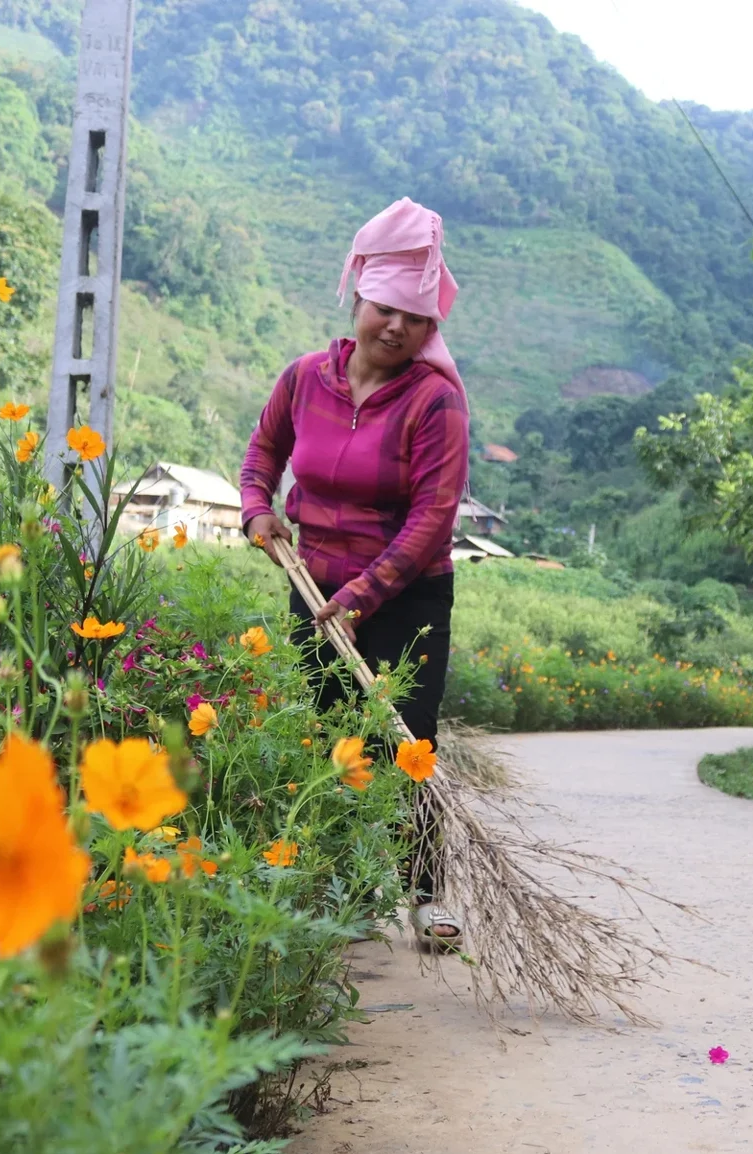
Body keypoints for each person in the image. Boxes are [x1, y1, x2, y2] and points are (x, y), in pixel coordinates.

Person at [240, 197, 470, 945]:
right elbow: (262, 457)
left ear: (431, 328)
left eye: (416, 317)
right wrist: (257, 512)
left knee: (409, 738)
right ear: (359, 299)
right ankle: (347, 886)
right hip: (316, 588)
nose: (397, 326)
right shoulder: (306, 378)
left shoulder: (435, 403)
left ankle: (426, 889)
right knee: (329, 731)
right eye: (385, 309)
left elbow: (432, 516)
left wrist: (366, 593)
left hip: (405, 597)